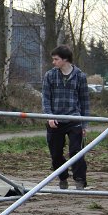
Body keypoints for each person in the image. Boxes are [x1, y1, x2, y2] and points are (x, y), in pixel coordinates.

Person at [42, 45, 90, 190]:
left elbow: (84, 101)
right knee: (56, 154)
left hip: (74, 119)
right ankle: (62, 177)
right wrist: (49, 116)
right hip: (55, 120)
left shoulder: (80, 76)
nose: (53, 62)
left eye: (56, 59)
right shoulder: (49, 75)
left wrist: (85, 124)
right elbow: (45, 98)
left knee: (76, 152)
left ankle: (80, 180)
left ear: (65, 59)